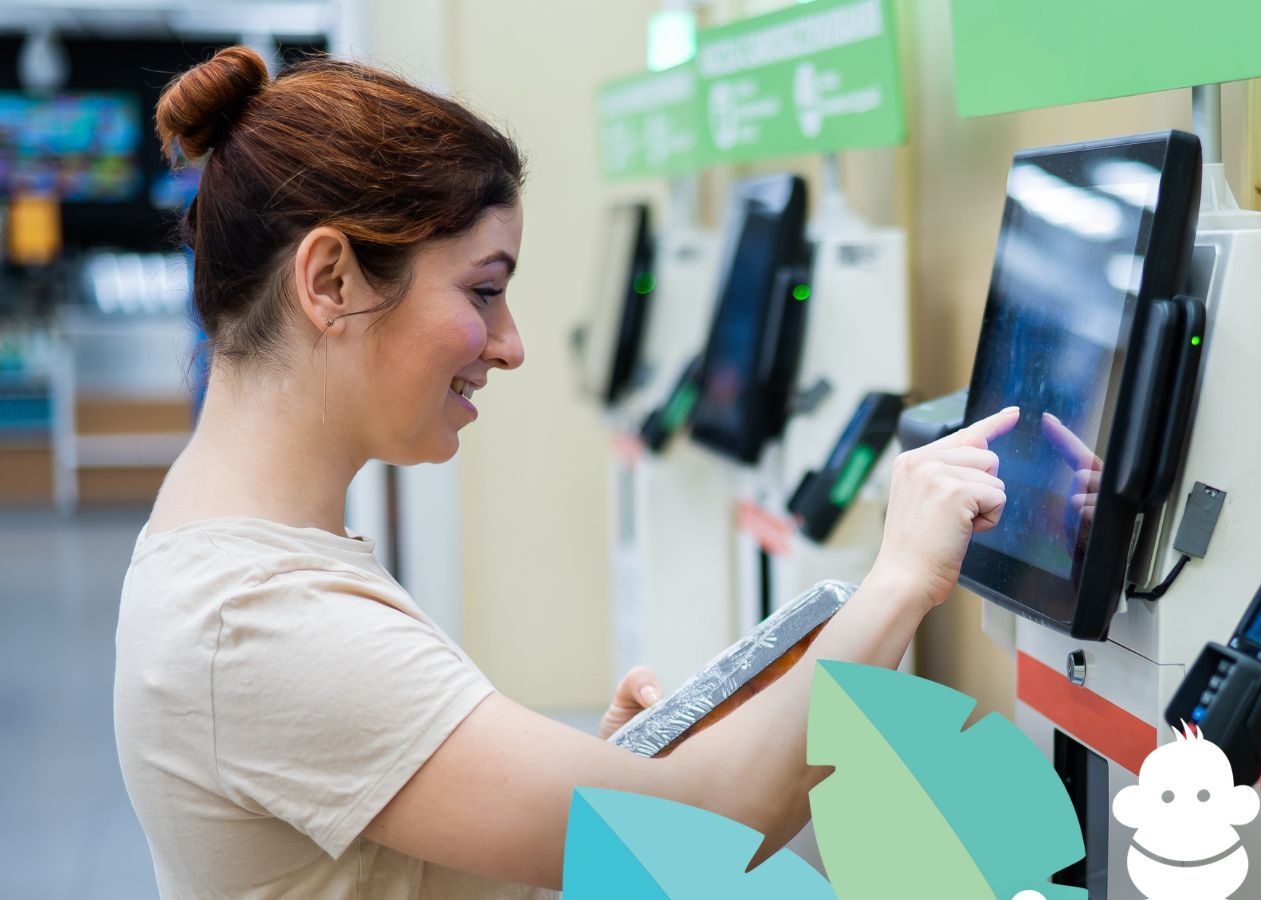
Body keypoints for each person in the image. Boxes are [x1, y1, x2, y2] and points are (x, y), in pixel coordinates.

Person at [113, 46, 1018, 898]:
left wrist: (585, 781)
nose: (509, 346)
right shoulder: (264, 623)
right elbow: (709, 824)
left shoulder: (234, 562)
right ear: (331, 280)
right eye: (482, 289)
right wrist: (900, 580)